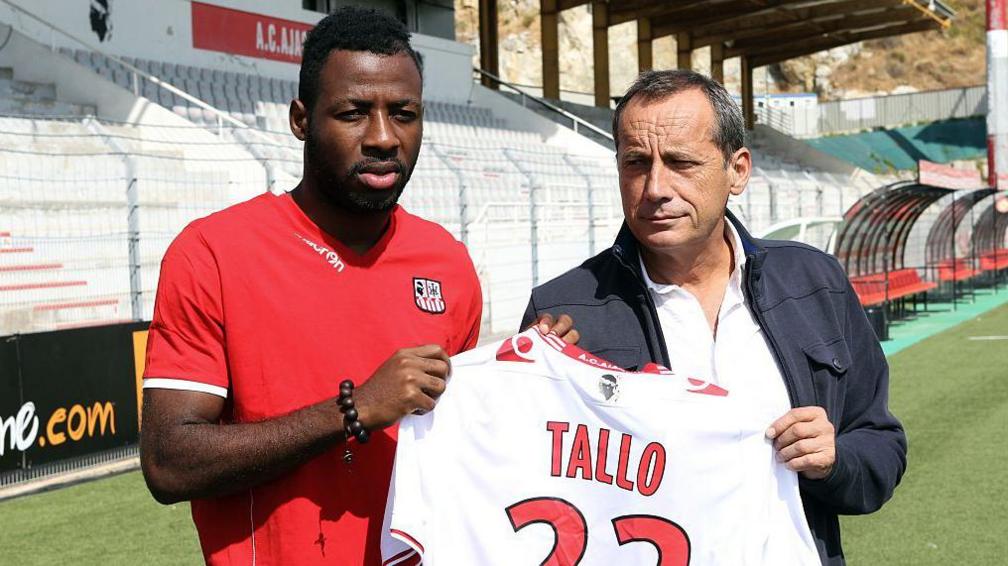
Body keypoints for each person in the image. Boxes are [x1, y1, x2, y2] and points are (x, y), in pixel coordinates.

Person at [139, 7, 571, 565]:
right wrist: (354, 410)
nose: (384, 137)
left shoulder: (448, 262)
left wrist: (531, 379)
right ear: (301, 119)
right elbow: (169, 462)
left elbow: (463, 447)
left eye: (404, 114)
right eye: (353, 113)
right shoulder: (212, 253)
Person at [521, 70, 907, 566]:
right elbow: (528, 490)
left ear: (738, 170)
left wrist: (833, 461)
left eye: (681, 162)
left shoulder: (815, 282)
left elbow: (880, 447)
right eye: (636, 163)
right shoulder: (563, 313)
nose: (656, 187)